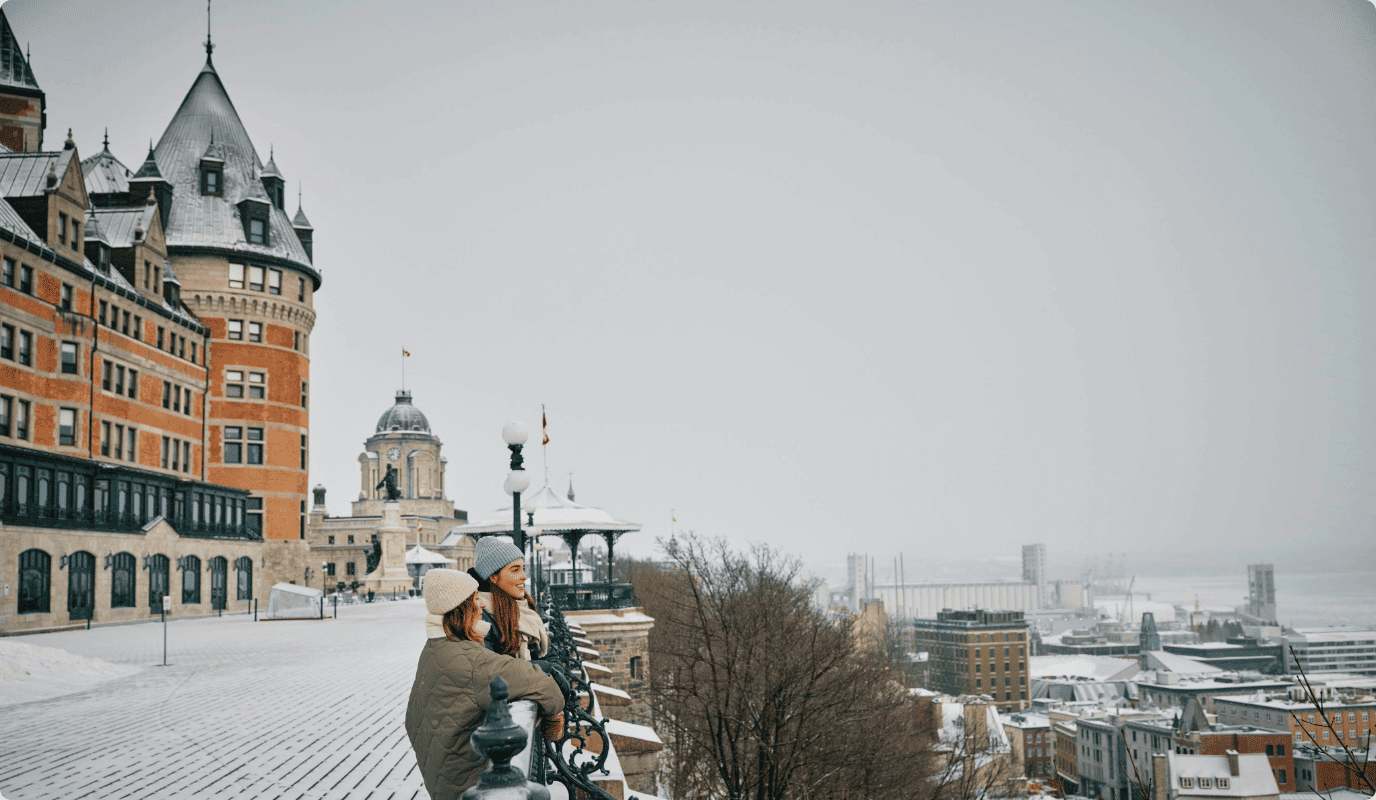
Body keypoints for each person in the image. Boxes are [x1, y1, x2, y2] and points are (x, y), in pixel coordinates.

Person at [406, 568, 565, 798]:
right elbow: (546, 688)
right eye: (474, 599)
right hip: (476, 788)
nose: (481, 605)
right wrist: (554, 716)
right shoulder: (471, 660)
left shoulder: (433, 650)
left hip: (443, 784)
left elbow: (412, 720)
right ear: (460, 609)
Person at [468, 537, 550, 661]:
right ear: (493, 577)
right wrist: (548, 669)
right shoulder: (478, 617)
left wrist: (552, 668)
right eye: (515, 570)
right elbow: (495, 670)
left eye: (523, 569)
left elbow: (551, 656)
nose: (524, 576)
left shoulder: (523, 608)